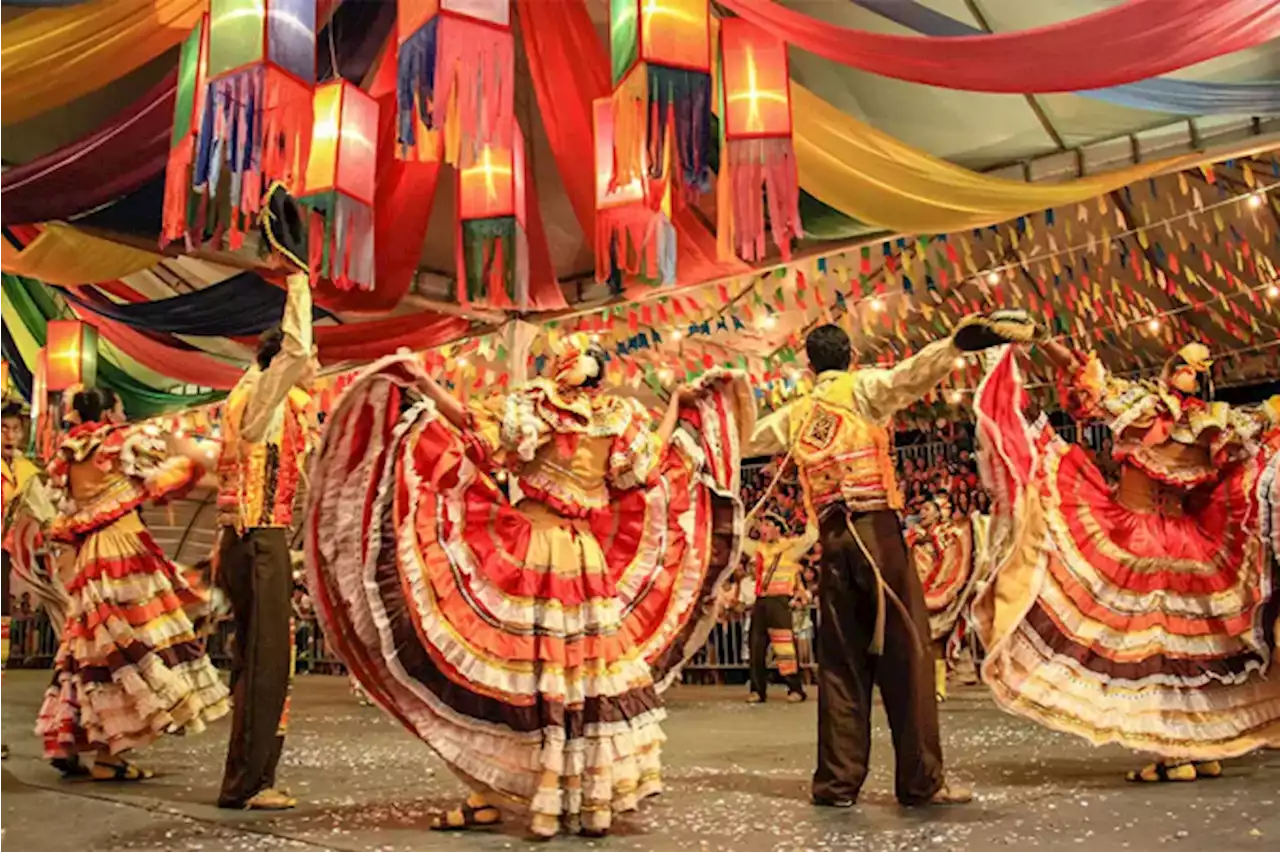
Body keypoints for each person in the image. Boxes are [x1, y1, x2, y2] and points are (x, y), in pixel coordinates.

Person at [304, 333, 753, 838]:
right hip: (586, 561)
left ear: (562, 368)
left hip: (536, 550)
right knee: (579, 681)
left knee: (529, 681)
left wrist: (425, 383)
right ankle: (589, 804)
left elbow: (477, 431)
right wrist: (673, 405)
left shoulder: (537, 408)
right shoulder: (616, 420)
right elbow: (643, 469)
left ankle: (522, 799)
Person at [749, 313, 1032, 809]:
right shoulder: (862, 390)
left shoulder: (793, 415)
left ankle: (836, 784)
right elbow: (910, 375)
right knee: (908, 654)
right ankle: (921, 781)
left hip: (833, 543)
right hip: (876, 533)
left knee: (841, 663)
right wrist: (954, 344)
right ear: (851, 359)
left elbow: (747, 439)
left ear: (811, 366)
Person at [973, 341, 1280, 783]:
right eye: (1186, 366)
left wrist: (1042, 340)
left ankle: (1177, 753)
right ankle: (1194, 749)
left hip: (1142, 538)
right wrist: (1042, 340)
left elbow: (1087, 377)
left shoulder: (1163, 410)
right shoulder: (1211, 420)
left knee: (1158, 650)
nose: (1189, 372)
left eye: (1195, 367)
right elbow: (1086, 374)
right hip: (1184, 542)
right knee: (1180, 648)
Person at [34, 387, 228, 780]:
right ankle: (109, 756)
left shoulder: (67, 454)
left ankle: (77, 741)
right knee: (130, 647)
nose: (124, 414)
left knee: (91, 649)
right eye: (120, 407)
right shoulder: (119, 443)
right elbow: (163, 481)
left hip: (90, 556)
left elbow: (63, 512)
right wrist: (208, 475)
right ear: (107, 413)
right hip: (123, 552)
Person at [214, 182, 318, 811]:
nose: (313, 368)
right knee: (267, 663)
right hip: (261, 539)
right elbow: (301, 347)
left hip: (245, 537)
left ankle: (244, 780)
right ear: (279, 361)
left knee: (257, 662)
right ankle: (253, 783)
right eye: (303, 363)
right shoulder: (264, 394)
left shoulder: (246, 398)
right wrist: (299, 280)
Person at [741, 516, 817, 704]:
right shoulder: (758, 549)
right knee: (756, 647)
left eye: (767, 525)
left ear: (778, 528)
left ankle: (795, 688)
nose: (762, 528)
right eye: (762, 524)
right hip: (761, 601)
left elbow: (811, 537)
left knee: (785, 648)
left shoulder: (790, 548)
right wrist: (752, 515)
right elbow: (740, 536)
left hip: (780, 602)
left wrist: (810, 510)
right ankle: (757, 691)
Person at [905, 497, 974, 702]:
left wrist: (930, 539)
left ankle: (939, 688)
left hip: (937, 592)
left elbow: (952, 556)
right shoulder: (913, 534)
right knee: (916, 643)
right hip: (915, 592)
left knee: (936, 643)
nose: (923, 513)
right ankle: (920, 686)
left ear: (938, 512)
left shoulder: (947, 534)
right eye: (922, 509)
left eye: (927, 509)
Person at [0, 399, 38, 761]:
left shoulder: (24, 470)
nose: (11, 435)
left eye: (15, 428)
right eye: (3, 428)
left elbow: (42, 513)